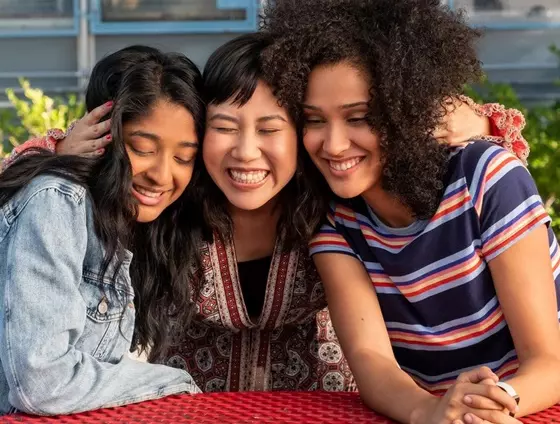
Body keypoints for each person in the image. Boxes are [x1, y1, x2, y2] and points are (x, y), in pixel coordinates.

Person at [4, 33, 530, 394]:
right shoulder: (170, 199)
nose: (246, 153)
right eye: (225, 127)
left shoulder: (334, 203)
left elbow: (474, 163)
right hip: (191, 410)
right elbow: (29, 196)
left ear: (303, 132)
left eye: (270, 128)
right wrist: (63, 152)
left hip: (330, 409)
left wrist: (459, 115)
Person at [260, 0, 560, 422]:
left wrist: (485, 406)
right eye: (313, 120)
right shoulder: (337, 221)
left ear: (405, 110)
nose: (333, 144)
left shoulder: (486, 179)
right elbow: (372, 362)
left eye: (360, 117)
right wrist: (431, 413)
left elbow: (550, 363)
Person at [0, 45, 204, 415]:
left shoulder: (136, 224)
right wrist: (172, 383)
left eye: (183, 158)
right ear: (101, 136)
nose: (162, 175)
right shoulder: (57, 201)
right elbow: (42, 382)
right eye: (142, 149)